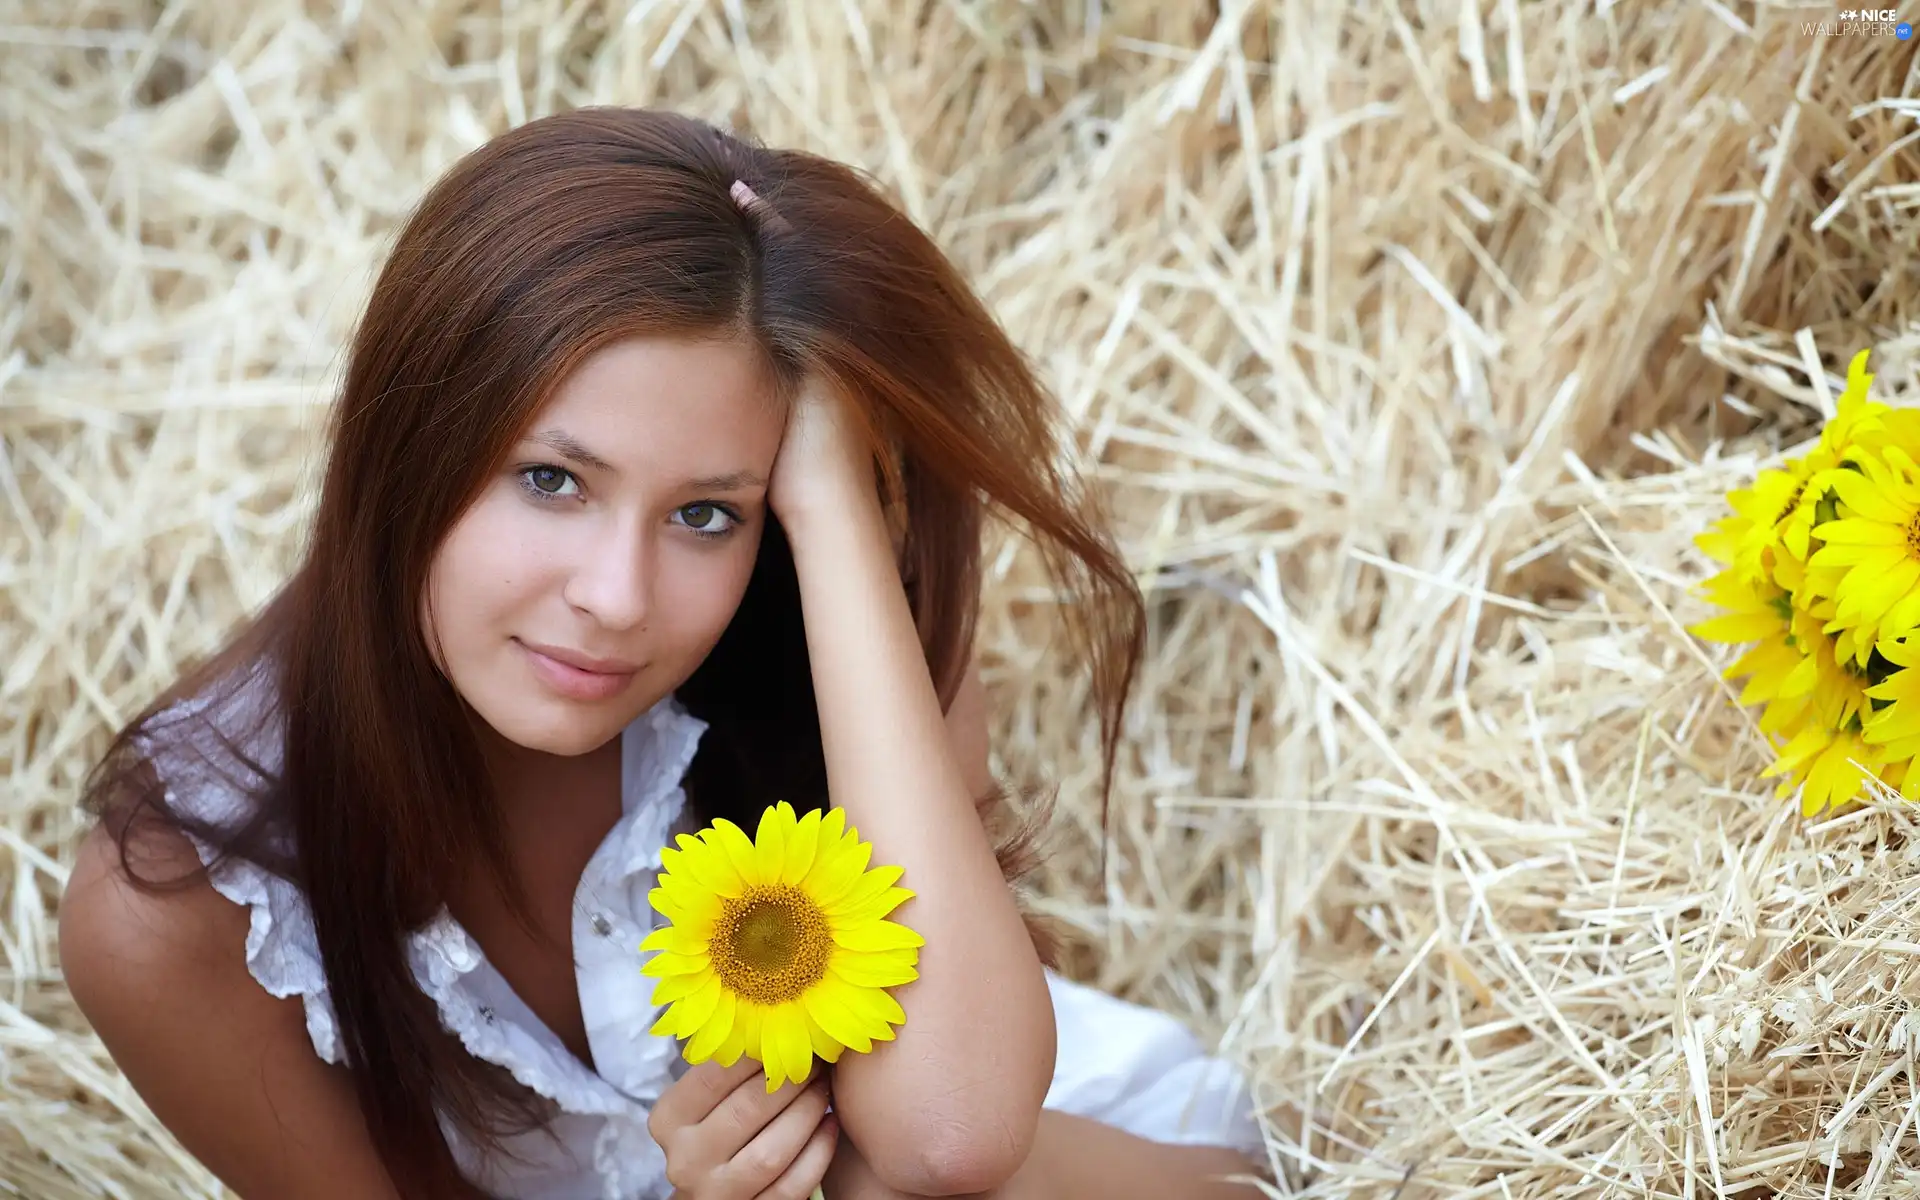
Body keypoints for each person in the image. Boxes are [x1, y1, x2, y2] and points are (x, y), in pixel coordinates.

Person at [57, 108, 1267, 1200]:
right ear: (404, 440)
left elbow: (954, 1140)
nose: (617, 600)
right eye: (551, 480)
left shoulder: (809, 616)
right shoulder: (187, 905)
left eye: (706, 512)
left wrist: (835, 508)